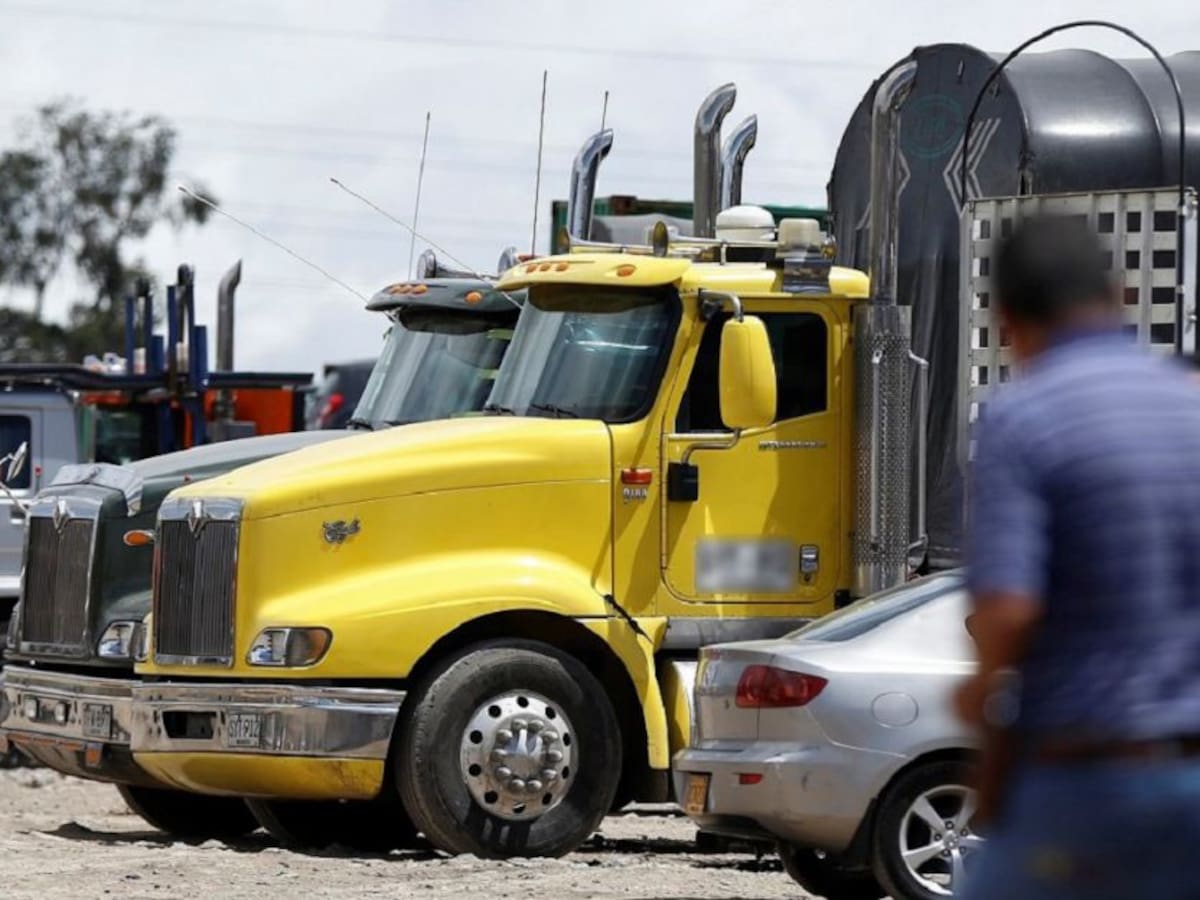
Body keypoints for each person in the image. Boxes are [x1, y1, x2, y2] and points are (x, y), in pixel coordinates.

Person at [956, 214, 1200, 900]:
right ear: (1117, 296)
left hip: (1090, 778)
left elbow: (1008, 612)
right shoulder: (1191, 408)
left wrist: (977, 692)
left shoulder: (1025, 418)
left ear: (1007, 320)